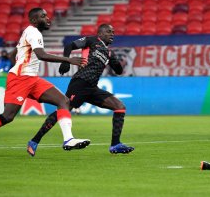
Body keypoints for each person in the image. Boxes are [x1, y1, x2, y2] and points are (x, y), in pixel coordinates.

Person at [0, 8, 90, 161]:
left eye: (46, 15)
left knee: (64, 101)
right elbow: (41, 55)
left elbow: (14, 54)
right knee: (7, 117)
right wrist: (68, 60)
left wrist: (21, 65)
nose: (47, 18)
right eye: (43, 16)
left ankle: (68, 139)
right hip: (20, 79)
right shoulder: (33, 32)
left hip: (32, 79)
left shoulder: (30, 32)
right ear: (34, 20)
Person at [26, 23, 134, 156]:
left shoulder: (109, 52)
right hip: (80, 83)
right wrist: (65, 62)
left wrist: (117, 64)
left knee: (120, 106)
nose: (112, 34)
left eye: (113, 32)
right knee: (63, 110)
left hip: (92, 88)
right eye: (109, 32)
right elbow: (69, 46)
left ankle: (115, 144)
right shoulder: (91, 40)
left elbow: (118, 71)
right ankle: (34, 141)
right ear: (100, 33)